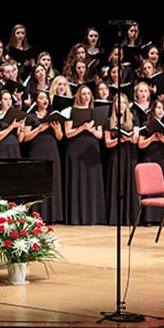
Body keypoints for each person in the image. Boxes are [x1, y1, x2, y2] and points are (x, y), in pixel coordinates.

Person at [63, 84, 106, 225]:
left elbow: (100, 135)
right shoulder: (71, 111)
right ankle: (76, 217)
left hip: (92, 148)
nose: (86, 96)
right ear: (78, 96)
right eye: (83, 94)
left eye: (88, 94)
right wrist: (82, 128)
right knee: (77, 181)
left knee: (91, 182)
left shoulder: (96, 112)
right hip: (76, 147)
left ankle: (92, 216)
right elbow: (68, 134)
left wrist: (91, 130)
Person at [22, 90, 64, 224]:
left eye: (46, 98)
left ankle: (52, 216)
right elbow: (26, 138)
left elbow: (60, 137)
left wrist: (57, 130)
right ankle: (37, 215)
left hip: (52, 151)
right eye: (41, 98)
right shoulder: (31, 117)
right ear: (36, 101)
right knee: (38, 182)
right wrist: (39, 129)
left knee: (52, 182)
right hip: (37, 151)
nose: (44, 100)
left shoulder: (53, 115)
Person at [137, 99, 164, 226]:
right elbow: (140, 144)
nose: (160, 111)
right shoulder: (146, 124)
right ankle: (149, 218)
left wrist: (163, 140)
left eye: (162, 108)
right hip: (150, 157)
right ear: (153, 110)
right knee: (150, 188)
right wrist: (151, 139)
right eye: (158, 108)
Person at [103, 92, 140, 226]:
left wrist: (131, 138)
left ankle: (130, 217)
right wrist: (119, 140)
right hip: (116, 155)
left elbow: (136, 140)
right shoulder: (109, 121)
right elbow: (107, 143)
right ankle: (115, 217)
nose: (121, 105)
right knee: (116, 184)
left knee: (129, 184)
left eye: (124, 102)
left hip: (130, 155)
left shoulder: (134, 119)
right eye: (119, 102)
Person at [0, 89, 25, 158]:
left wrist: (22, 128)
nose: (8, 101)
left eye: (10, 99)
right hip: (3, 148)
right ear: (0, 102)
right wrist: (11, 126)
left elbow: (20, 139)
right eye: (5, 99)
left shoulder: (16, 114)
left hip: (14, 148)